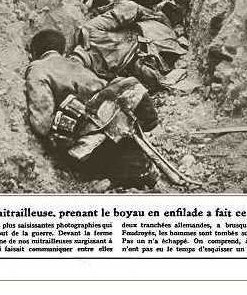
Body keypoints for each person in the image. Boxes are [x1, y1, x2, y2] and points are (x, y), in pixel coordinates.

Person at [24, 28, 158, 187]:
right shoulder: (76, 65)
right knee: (123, 85)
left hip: (87, 146)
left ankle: (130, 169)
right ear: (63, 50)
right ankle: (135, 165)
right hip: (115, 125)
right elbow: (106, 90)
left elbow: (42, 125)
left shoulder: (37, 68)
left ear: (34, 53)